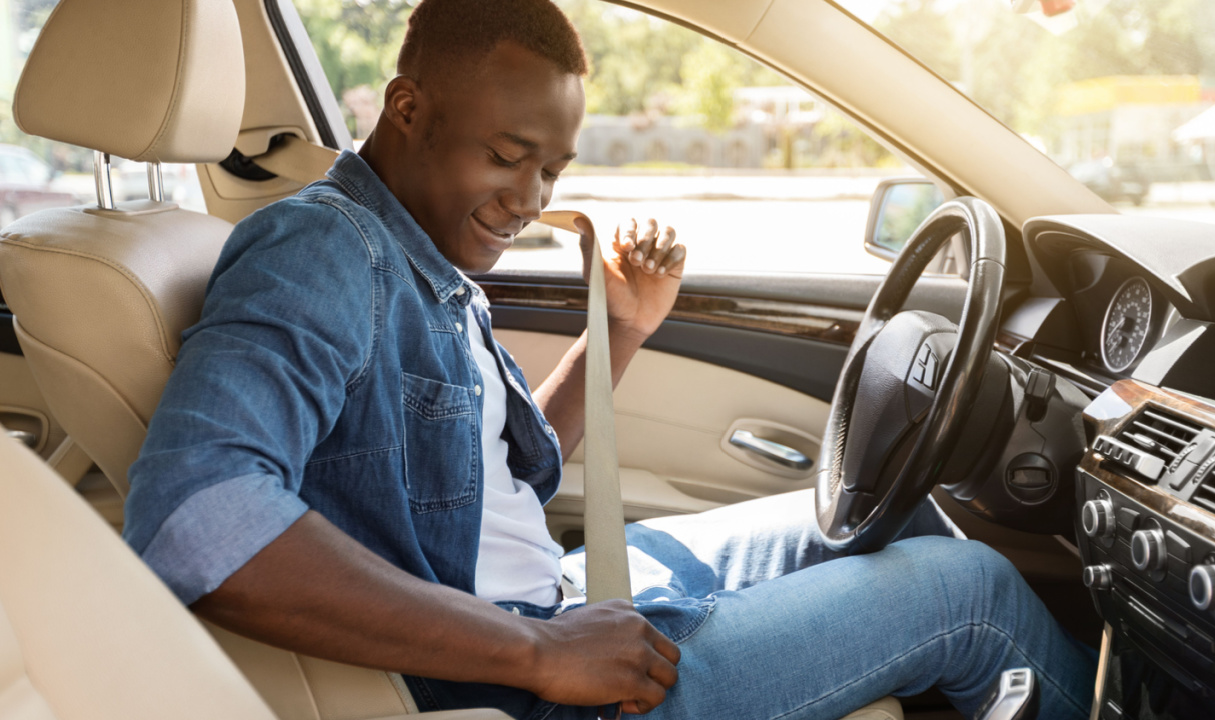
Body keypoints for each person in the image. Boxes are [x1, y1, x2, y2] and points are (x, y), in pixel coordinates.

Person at [123, 1, 1097, 718]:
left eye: (551, 169)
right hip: (506, 675)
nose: (530, 197)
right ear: (408, 109)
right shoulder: (326, 251)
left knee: (878, 518)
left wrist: (619, 333)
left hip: (553, 596)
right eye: (507, 156)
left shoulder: (423, 261)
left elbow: (498, 474)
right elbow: (195, 514)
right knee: (966, 595)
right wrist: (538, 650)